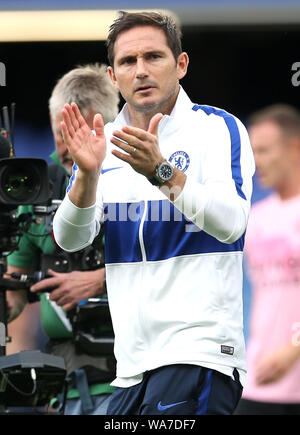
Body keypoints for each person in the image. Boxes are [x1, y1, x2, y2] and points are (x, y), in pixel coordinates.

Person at [53, 11, 255, 415]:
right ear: (113, 76)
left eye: (153, 57)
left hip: (199, 356)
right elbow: (69, 238)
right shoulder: (103, 142)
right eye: (128, 61)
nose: (141, 71)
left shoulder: (218, 129)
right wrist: (87, 177)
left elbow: (232, 223)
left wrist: (160, 173)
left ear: (180, 65)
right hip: (130, 369)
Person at [5, 63, 120, 415]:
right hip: (66, 380)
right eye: (61, 133)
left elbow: (175, 268)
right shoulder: (36, 186)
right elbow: (15, 290)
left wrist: (99, 280)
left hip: (132, 378)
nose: (70, 146)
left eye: (80, 133)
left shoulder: (139, 178)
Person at [234, 104, 300, 415]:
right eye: (252, 152)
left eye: (263, 151)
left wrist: (293, 349)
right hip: (258, 381)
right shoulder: (256, 218)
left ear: (294, 147)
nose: (255, 162)